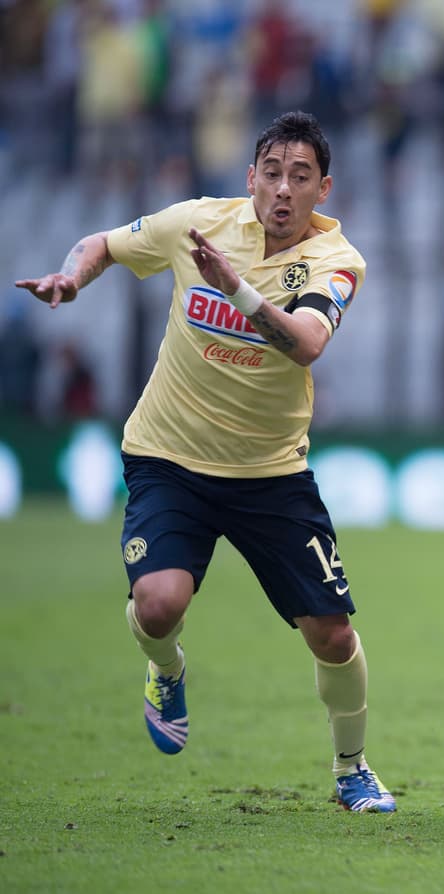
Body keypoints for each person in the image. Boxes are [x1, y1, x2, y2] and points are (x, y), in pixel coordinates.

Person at [15, 111, 396, 813]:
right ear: (250, 178)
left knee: (333, 634)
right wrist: (72, 278)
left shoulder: (339, 260)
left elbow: (307, 342)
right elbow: (100, 242)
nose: (283, 188)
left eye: (300, 176)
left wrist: (238, 289)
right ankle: (167, 671)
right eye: (272, 173)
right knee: (158, 605)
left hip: (271, 474)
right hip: (170, 456)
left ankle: (352, 769)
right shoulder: (197, 224)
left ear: (324, 189)